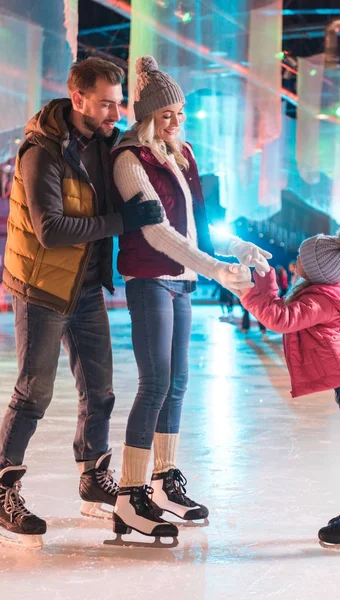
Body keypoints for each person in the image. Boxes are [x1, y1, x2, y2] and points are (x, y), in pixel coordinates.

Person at [0, 57, 164, 548]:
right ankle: (3, 487)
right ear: (78, 99)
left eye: (119, 103)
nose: (115, 113)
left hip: (88, 286)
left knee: (101, 389)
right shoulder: (41, 152)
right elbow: (51, 231)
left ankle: (93, 475)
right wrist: (123, 223)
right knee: (34, 393)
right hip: (43, 286)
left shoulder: (107, 143)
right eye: (106, 104)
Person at [110, 56, 270, 541]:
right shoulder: (129, 160)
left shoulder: (184, 155)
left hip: (182, 281)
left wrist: (236, 246)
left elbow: (201, 221)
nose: (175, 120)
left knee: (177, 383)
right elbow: (156, 232)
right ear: (145, 117)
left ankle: (163, 480)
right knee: (155, 382)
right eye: (165, 114)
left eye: (179, 111)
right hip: (150, 278)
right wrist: (218, 270)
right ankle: (129, 495)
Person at [239, 227, 340, 548]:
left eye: (301, 259)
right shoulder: (322, 292)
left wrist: (254, 287)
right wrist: (264, 276)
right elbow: (282, 307)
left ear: (318, 270)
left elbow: (280, 319)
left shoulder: (320, 300)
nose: (296, 262)